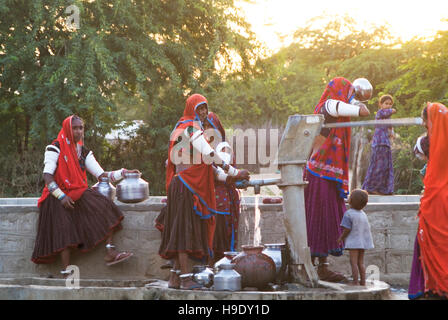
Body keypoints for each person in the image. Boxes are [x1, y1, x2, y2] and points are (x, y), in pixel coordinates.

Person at [159, 93, 247, 289]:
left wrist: (233, 176)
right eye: (200, 109)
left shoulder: (184, 127)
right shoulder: (190, 127)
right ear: (192, 110)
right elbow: (209, 155)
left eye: (205, 108)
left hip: (182, 185)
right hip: (185, 185)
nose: (204, 112)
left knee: (182, 230)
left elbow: (210, 168)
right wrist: (233, 170)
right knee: (183, 232)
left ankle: (175, 278)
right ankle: (185, 279)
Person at [32, 115, 136, 277]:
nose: (79, 131)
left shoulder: (83, 152)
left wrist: (124, 173)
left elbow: (102, 176)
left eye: (81, 128)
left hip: (77, 191)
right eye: (75, 128)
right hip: (55, 196)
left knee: (106, 205)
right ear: (68, 129)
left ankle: (110, 251)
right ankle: (67, 270)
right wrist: (61, 196)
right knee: (63, 227)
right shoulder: (54, 148)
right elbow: (47, 177)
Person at [305, 77, 371, 282]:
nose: (353, 96)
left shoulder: (337, 107)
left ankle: (322, 266)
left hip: (328, 174)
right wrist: (355, 101)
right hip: (318, 173)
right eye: (350, 92)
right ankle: (314, 267)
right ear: (341, 90)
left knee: (329, 219)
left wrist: (355, 98)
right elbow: (362, 111)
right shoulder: (329, 105)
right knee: (318, 217)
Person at [408, 102, 448, 299]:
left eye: (425, 120)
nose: (424, 124)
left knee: (431, 242)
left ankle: (432, 286)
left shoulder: (426, 142)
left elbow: (419, 153)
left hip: (435, 200)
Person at [202, 112, 249, 263]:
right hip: (205, 198)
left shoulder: (223, 148)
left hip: (220, 200)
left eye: (210, 126)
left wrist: (235, 175)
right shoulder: (201, 147)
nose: (207, 129)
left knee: (219, 237)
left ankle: (219, 268)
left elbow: (220, 173)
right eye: (204, 126)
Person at [337, 189, 374, 286]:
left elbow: (347, 229)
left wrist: (341, 238)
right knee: (361, 262)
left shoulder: (348, 214)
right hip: (363, 242)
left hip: (354, 242)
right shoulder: (363, 214)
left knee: (353, 262)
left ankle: (355, 282)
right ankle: (363, 281)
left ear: (351, 201)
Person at [362, 95, 397, 195]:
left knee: (386, 166)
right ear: (380, 104)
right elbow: (387, 112)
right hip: (379, 143)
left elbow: (390, 129)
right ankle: (371, 188)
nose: (388, 106)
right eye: (386, 103)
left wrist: (391, 133)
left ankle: (384, 189)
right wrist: (392, 110)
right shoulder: (380, 113)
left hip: (385, 143)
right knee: (378, 166)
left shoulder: (387, 117)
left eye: (390, 104)